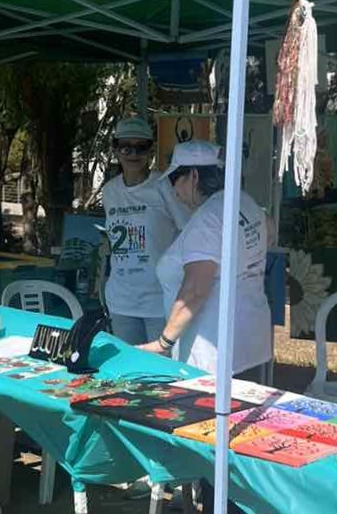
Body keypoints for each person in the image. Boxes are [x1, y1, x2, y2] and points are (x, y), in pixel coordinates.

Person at [140, 139, 272, 375]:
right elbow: (270, 231)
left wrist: (163, 343)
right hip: (250, 341)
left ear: (194, 176)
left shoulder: (208, 219)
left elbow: (195, 289)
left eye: (174, 180)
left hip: (211, 354)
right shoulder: (243, 201)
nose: (174, 191)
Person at [98, 116, 182, 346]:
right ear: (116, 150)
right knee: (128, 366)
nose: (133, 154)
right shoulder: (109, 191)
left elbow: (187, 230)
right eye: (126, 147)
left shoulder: (164, 185)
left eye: (141, 147)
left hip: (159, 300)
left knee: (161, 367)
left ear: (150, 150)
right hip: (121, 300)